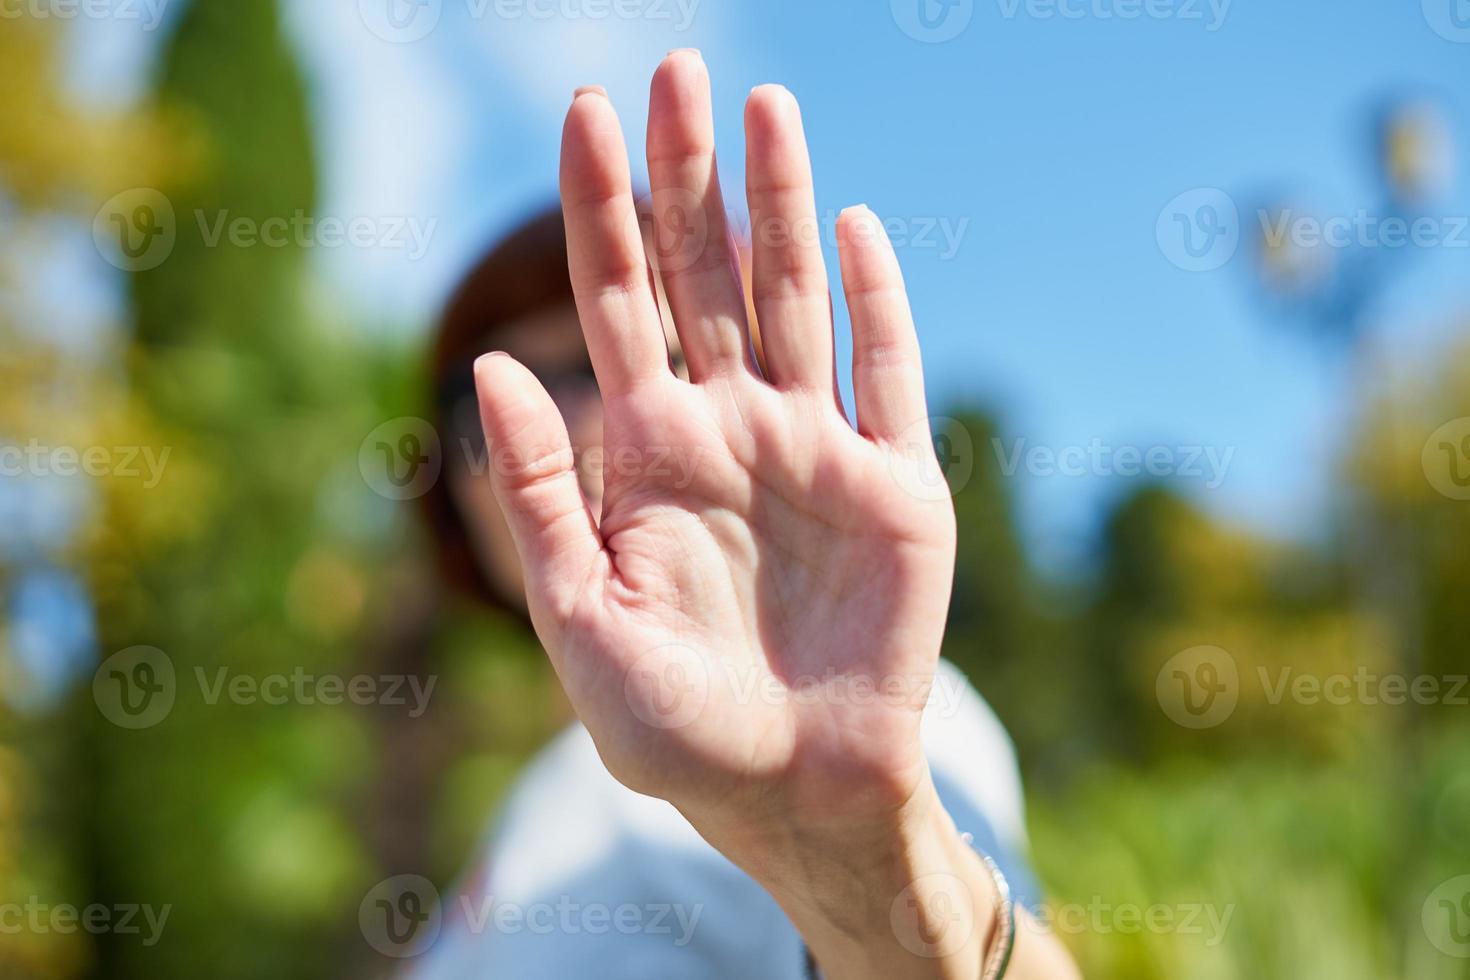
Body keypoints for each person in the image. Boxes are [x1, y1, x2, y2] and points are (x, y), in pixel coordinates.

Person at [416, 51, 1082, 979]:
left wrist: (854, 846)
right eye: (491, 392)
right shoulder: (519, 823)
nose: (551, 428)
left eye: (607, 367)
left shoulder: (888, 712)